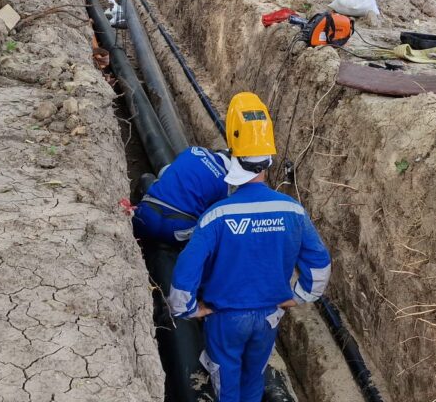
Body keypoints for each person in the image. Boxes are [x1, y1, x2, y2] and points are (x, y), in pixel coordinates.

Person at [169, 92, 331, 402]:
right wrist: (299, 296)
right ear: (269, 159)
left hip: (225, 317)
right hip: (270, 315)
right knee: (254, 376)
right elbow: (319, 263)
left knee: (226, 378)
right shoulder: (294, 211)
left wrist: (189, 309)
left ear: (233, 152)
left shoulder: (216, 216)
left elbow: (185, 270)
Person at [132, 146, 230, 243]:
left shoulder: (193, 150)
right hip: (175, 231)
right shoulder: (225, 184)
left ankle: (132, 208)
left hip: (146, 214)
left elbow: (163, 172)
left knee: (148, 179)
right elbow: (210, 219)